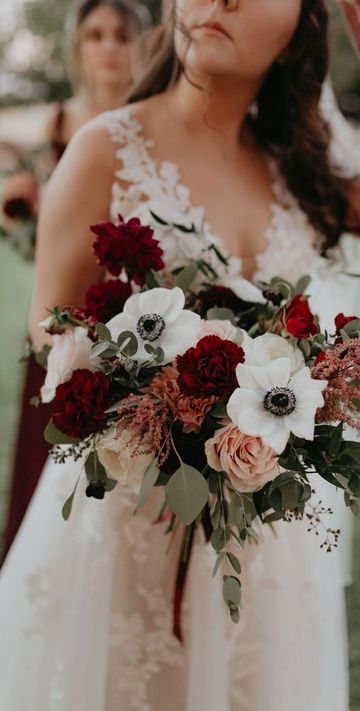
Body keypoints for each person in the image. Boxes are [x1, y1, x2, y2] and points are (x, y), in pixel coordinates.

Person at [0, 1, 360, 708]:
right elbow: (48, 328)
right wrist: (169, 413)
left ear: (302, 24)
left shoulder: (299, 171)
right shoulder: (105, 148)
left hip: (266, 546)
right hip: (131, 520)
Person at [1, 0, 150, 561]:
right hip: (59, 323)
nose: (109, 47)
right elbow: (30, 227)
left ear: (143, 44)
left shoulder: (150, 121)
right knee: (48, 464)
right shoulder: (58, 126)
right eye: (95, 35)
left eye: (121, 35)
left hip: (133, 321)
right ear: (78, 47)